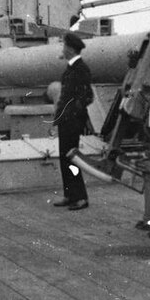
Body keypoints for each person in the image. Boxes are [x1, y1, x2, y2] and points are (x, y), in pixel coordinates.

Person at [53, 32, 93, 210]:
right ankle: (69, 195)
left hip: (72, 121)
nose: (63, 49)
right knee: (64, 158)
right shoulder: (71, 69)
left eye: (64, 46)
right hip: (66, 120)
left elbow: (86, 96)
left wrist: (72, 113)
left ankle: (81, 197)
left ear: (69, 48)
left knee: (71, 159)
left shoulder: (80, 69)